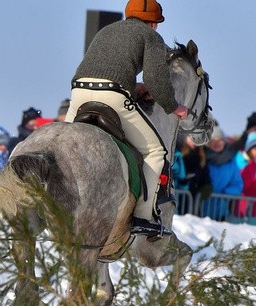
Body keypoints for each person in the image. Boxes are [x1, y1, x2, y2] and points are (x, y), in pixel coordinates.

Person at [65, 0, 189, 237]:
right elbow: (156, 80)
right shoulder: (151, 37)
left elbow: (104, 70)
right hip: (113, 96)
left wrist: (134, 87)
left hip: (78, 92)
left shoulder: (107, 30)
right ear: (153, 23)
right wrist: (173, 106)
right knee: (156, 152)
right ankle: (144, 215)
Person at [200, 124, 243, 221]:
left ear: (224, 142)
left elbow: (238, 184)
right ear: (208, 143)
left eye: (219, 139)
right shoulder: (202, 159)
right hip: (199, 210)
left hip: (221, 212)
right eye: (213, 140)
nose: (216, 143)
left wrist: (225, 193)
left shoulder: (231, 163)